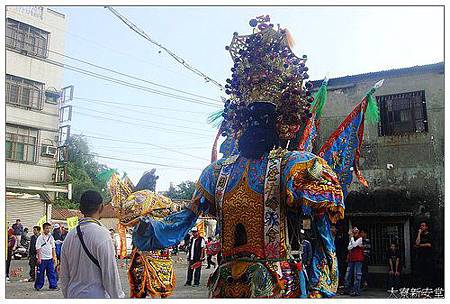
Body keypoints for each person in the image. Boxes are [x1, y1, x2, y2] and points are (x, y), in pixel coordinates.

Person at [132, 16, 345, 298]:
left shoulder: (293, 166)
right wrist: (147, 225)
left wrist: (321, 284)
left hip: (277, 286)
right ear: (241, 118)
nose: (257, 124)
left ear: (278, 120)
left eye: (264, 118)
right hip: (228, 286)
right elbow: (180, 223)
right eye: (253, 117)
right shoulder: (217, 173)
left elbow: (323, 234)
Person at [60, 190, 124, 298]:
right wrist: (118, 297)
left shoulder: (69, 236)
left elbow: (64, 274)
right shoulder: (103, 235)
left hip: (73, 295)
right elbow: (110, 274)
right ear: (101, 207)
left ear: (80, 209)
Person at [34, 222, 58, 290]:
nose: (48, 230)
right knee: (40, 273)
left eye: (49, 228)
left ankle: (53, 286)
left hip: (49, 259)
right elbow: (38, 248)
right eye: (47, 228)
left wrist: (54, 256)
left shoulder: (51, 237)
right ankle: (38, 286)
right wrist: (39, 258)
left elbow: (53, 247)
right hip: (42, 259)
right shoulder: (40, 238)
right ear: (43, 229)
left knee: (51, 273)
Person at [343, 227, 364, 296]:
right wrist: (352, 241)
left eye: (356, 231)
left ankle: (356, 291)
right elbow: (348, 248)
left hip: (358, 259)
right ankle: (346, 290)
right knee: (347, 275)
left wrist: (351, 238)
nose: (354, 232)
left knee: (357, 275)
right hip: (351, 259)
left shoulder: (360, 238)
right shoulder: (352, 239)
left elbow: (354, 245)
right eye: (353, 231)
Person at [414, 221, 433, 287]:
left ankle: (428, 290)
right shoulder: (419, 235)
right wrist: (419, 233)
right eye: (420, 225)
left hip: (428, 258)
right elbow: (416, 243)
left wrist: (420, 245)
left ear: (426, 227)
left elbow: (429, 245)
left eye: (423, 225)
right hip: (420, 257)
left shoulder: (429, 235)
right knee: (420, 274)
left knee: (427, 274)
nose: (421, 227)